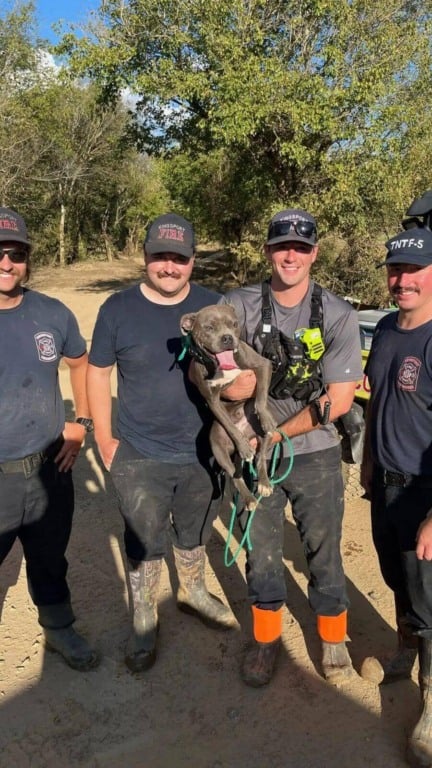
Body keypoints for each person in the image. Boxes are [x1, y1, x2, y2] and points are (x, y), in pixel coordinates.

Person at [87, 213, 237, 674]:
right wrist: (105, 439)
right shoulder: (117, 308)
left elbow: (238, 370)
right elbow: (97, 371)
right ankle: (144, 613)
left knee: (195, 528)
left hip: (203, 448)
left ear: (192, 260)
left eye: (179, 258)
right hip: (139, 449)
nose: (169, 267)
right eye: (160, 257)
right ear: (145, 257)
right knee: (143, 536)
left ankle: (192, 591)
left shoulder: (216, 306)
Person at [221, 208, 363, 687]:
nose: (291, 255)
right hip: (250, 451)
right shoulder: (237, 306)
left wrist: (279, 433)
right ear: (268, 251)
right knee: (260, 549)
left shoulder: (338, 314)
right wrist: (230, 386)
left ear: (314, 254)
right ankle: (266, 640)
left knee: (323, 549)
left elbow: (339, 400)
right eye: (282, 245)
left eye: (301, 247)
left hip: (315, 450)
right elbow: (207, 362)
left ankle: (333, 636)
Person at [0, 206, 99, 672]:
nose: (6, 263)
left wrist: (81, 423)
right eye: (0, 253)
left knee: (49, 556)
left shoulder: (52, 314)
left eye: (16, 254)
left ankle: (59, 628)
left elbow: (79, 362)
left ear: (27, 260)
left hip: (47, 468)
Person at [360, 228, 432, 767]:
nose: (403, 280)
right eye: (396, 271)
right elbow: (375, 400)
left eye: (415, 270)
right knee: (396, 579)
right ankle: (406, 650)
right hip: (383, 483)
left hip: (424, 494)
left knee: (430, 597)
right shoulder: (384, 330)